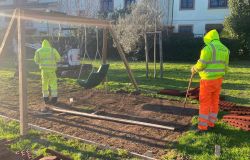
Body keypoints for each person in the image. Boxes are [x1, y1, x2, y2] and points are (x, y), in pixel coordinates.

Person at [191, 29, 230, 132]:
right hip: (219, 80)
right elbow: (226, 67)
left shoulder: (208, 49)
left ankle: (202, 127)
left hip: (207, 80)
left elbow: (201, 65)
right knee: (214, 102)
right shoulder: (225, 49)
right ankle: (211, 123)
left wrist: (194, 68)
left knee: (204, 103)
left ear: (208, 37)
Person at [34, 39, 61, 104]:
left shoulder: (38, 51)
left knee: (44, 84)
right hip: (51, 70)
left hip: (43, 71)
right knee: (53, 84)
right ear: (49, 44)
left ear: (42, 44)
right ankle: (54, 98)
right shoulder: (52, 50)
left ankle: (45, 98)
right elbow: (58, 59)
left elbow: (36, 61)